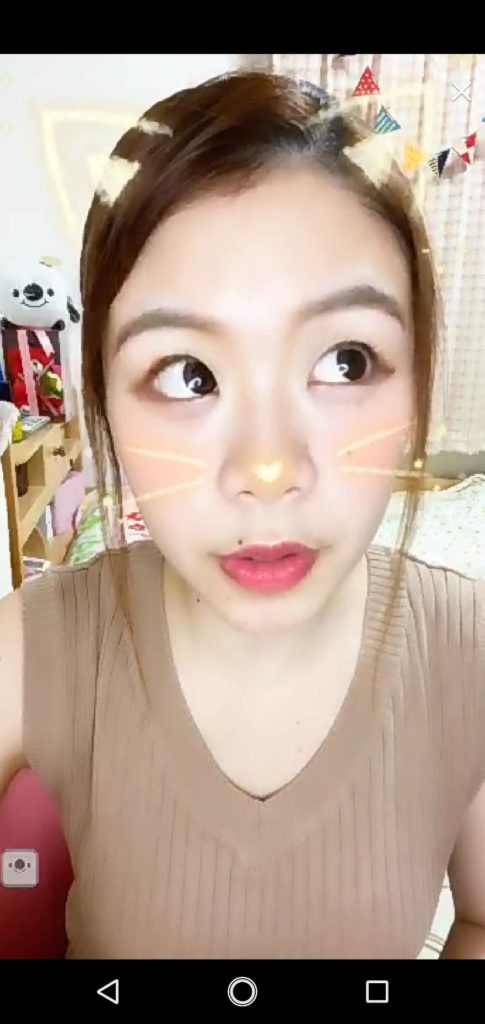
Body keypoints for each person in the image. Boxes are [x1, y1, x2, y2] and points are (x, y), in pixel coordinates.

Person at [1, 71, 484, 960]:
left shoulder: (467, 651)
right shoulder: (39, 643)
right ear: (105, 403)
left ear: (417, 382)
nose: (268, 471)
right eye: (188, 375)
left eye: (344, 361)